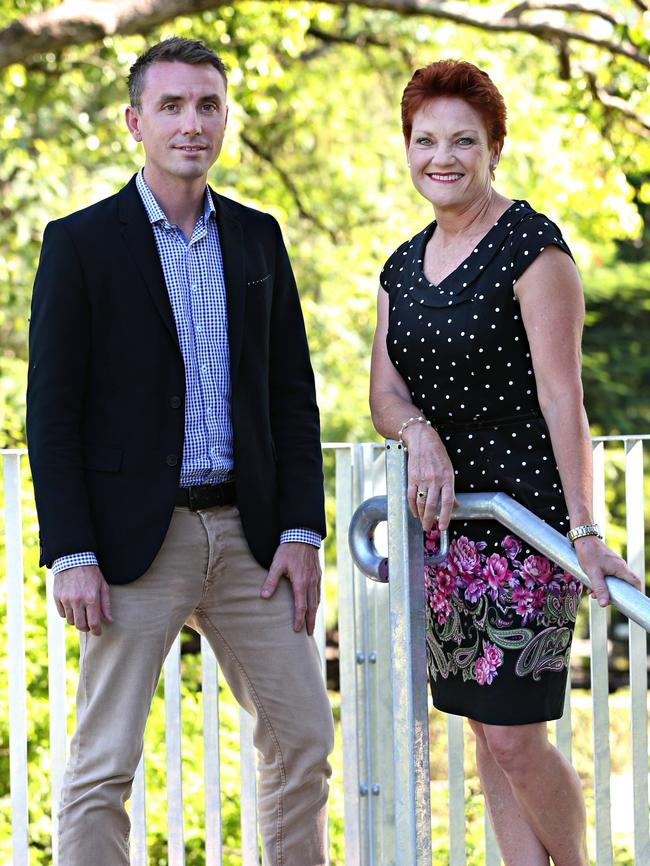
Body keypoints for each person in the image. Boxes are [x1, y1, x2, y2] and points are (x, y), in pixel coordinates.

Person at [26, 36, 333, 866]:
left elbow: (290, 401)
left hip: (252, 537)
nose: (191, 124)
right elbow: (48, 417)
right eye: (171, 106)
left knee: (304, 738)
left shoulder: (259, 240)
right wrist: (72, 551)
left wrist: (304, 532)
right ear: (135, 121)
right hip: (133, 543)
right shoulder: (80, 244)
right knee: (103, 766)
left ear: (225, 119)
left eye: (207, 105)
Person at [369, 59, 640, 866]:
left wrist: (584, 528)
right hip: (445, 532)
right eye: (424, 140)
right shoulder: (400, 267)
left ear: (494, 148)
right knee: (486, 735)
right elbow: (383, 394)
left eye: (462, 140)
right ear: (408, 147)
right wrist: (419, 434)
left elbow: (566, 399)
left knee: (517, 737)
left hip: (524, 528)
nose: (440, 157)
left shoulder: (532, 247)